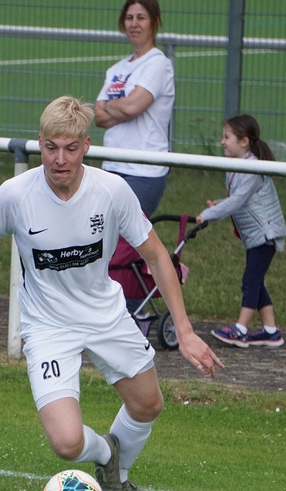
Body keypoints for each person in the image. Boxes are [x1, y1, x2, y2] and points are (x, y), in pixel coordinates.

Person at [0, 96, 222, 491]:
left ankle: (118, 481)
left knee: (149, 405)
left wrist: (185, 333)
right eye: (50, 148)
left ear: (86, 146)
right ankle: (107, 455)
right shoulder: (16, 193)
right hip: (48, 327)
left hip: (106, 315)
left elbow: (156, 256)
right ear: (39, 143)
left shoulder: (112, 191)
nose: (59, 159)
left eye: (70, 148)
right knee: (66, 443)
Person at [94, 0, 175, 314]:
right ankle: (109, 306)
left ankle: (127, 309)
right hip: (112, 167)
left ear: (155, 22)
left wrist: (117, 108)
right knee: (101, 236)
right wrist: (122, 108)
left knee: (126, 241)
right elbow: (98, 116)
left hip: (144, 170)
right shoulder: (117, 69)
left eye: (141, 17)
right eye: (129, 17)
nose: (134, 23)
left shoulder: (158, 64)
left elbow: (130, 108)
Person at [197, 114, 286, 348]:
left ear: (244, 141)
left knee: (250, 280)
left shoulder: (252, 168)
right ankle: (270, 331)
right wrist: (219, 203)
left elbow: (237, 201)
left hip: (265, 234)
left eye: (227, 137)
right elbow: (238, 199)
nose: (222, 142)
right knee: (256, 282)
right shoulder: (237, 165)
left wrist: (206, 215)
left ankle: (240, 329)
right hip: (255, 236)